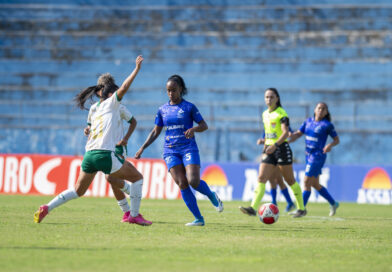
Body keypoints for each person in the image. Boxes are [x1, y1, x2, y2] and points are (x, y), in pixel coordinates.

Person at [34, 55, 152, 226]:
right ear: (110, 92)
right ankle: (133, 214)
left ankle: (47, 207)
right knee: (137, 178)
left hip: (89, 154)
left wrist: (89, 130)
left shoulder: (96, 109)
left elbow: (93, 128)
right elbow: (125, 87)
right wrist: (136, 69)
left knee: (78, 190)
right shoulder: (112, 103)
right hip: (105, 154)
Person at [135, 75, 223, 226]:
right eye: (168, 91)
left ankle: (211, 195)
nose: (170, 93)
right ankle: (199, 219)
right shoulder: (162, 109)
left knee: (193, 181)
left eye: (173, 90)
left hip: (188, 148)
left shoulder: (189, 107)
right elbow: (156, 131)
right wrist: (142, 147)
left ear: (180, 89)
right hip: (170, 150)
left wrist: (194, 129)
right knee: (182, 183)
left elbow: (204, 125)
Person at [240, 87, 306, 218]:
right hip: (269, 149)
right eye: (266, 97)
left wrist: (275, 145)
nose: (269, 99)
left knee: (290, 180)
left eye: (271, 97)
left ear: (277, 98)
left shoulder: (282, 114)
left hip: (281, 149)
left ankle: (301, 209)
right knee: (261, 178)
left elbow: (286, 133)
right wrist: (264, 142)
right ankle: (253, 208)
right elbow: (270, 133)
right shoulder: (264, 114)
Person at [83, 73, 139, 223]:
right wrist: (87, 130)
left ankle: (131, 200)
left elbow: (133, 122)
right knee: (112, 178)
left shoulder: (118, 106)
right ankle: (128, 210)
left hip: (117, 148)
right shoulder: (94, 108)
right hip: (102, 147)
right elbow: (90, 126)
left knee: (111, 177)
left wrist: (125, 139)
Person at [289, 102, 340, 216]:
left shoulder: (327, 125)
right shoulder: (308, 122)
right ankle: (333, 203)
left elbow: (337, 140)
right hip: (308, 155)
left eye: (323, 109)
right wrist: (287, 140)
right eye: (319, 108)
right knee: (315, 184)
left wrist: (329, 145)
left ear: (326, 112)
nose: (321, 110)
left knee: (306, 181)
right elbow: (298, 134)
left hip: (318, 156)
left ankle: (301, 209)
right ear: (315, 110)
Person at [257, 134, 295, 212]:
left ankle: (287, 202)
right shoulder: (267, 124)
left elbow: (287, 135)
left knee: (279, 180)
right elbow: (266, 139)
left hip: (278, 153)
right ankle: (277, 202)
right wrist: (262, 141)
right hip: (268, 154)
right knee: (272, 179)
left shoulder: (280, 123)